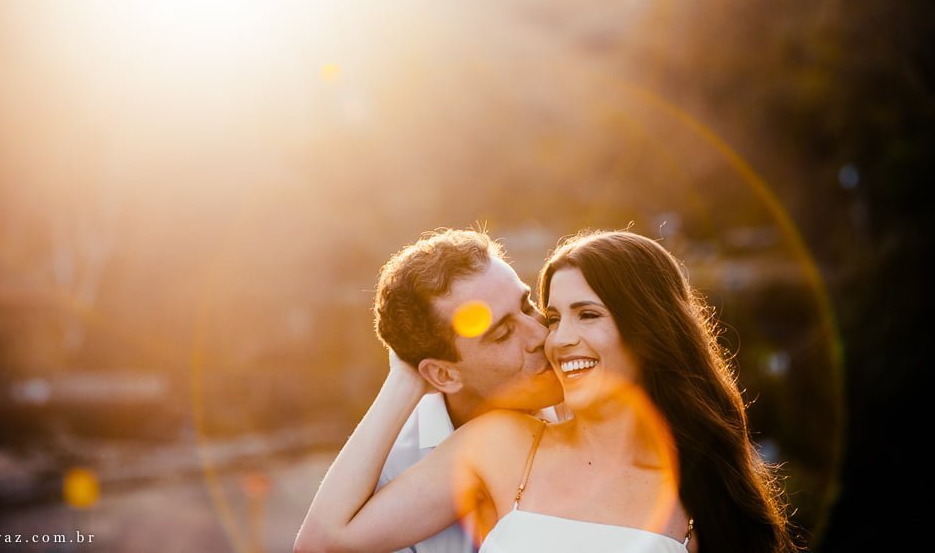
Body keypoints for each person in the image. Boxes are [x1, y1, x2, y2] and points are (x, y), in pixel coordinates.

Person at [295, 230, 797, 553]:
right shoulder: (479, 449)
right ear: (443, 374)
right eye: (502, 333)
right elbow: (320, 545)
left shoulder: (700, 476)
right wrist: (403, 377)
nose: (547, 337)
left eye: (535, 308)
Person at [371, 228, 564, 552]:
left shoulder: (591, 404)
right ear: (443, 374)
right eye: (503, 334)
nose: (539, 336)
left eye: (528, 306)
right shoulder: (391, 476)